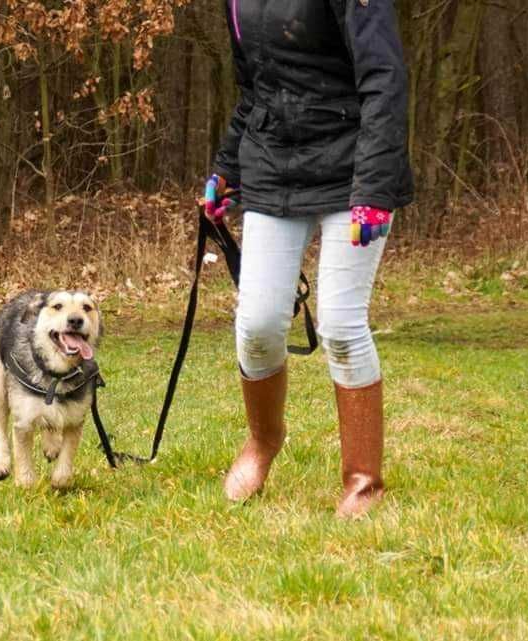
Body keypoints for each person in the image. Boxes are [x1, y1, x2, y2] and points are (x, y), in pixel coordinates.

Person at [204, 0, 414, 518]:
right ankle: (262, 444)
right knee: (256, 324)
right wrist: (226, 168)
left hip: (354, 174)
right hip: (272, 169)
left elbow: (384, 80)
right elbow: (253, 90)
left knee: (342, 327)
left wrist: (374, 189)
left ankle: (363, 482)